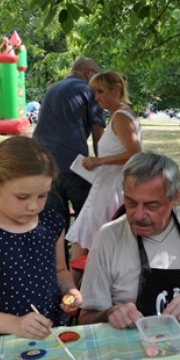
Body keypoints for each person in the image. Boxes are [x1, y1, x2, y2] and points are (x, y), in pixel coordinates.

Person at [78, 152, 180, 329]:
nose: (138, 215)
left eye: (151, 205)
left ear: (176, 198)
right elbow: (85, 318)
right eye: (130, 203)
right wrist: (110, 313)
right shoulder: (107, 238)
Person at [0, 136, 82, 339]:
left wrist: (70, 290)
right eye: (22, 197)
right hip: (1, 344)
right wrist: (15, 324)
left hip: (49, 333)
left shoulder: (51, 222)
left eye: (43, 196)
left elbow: (60, 270)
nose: (34, 206)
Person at [65, 71, 142, 262]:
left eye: (100, 92)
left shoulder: (121, 117)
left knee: (85, 238)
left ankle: (72, 287)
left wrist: (99, 161)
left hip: (112, 188)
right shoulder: (119, 115)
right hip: (108, 185)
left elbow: (135, 153)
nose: (96, 97)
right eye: (94, 92)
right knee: (86, 238)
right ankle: (77, 284)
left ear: (115, 91)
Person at [33, 57, 105, 254]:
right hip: (74, 164)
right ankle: (84, 270)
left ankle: (58, 270)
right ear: (89, 73)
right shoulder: (90, 90)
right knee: (88, 218)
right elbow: (98, 130)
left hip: (43, 164)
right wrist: (102, 162)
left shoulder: (53, 89)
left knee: (55, 222)